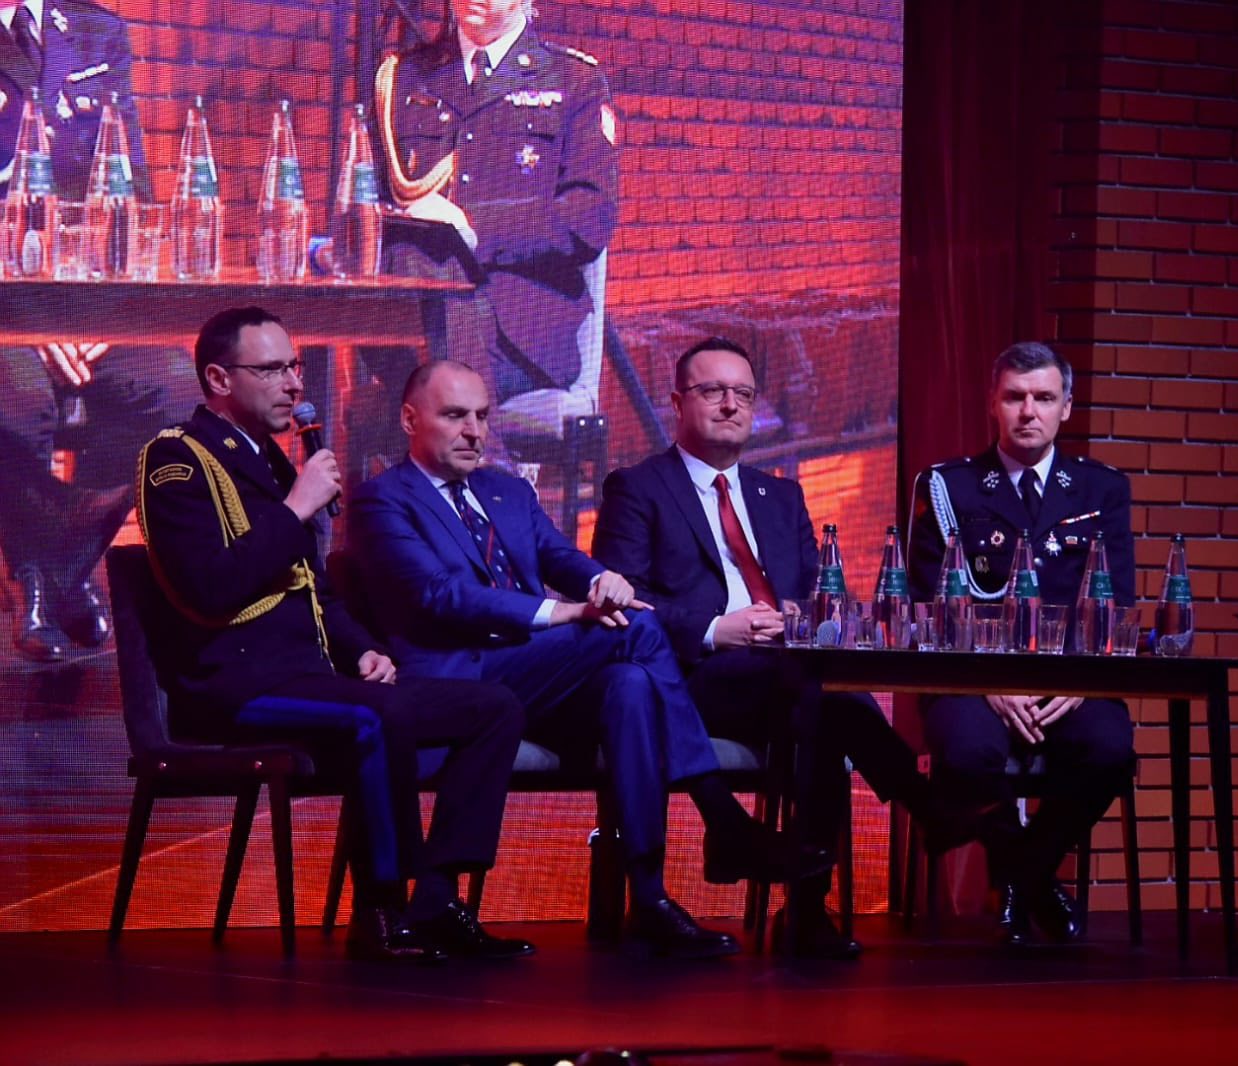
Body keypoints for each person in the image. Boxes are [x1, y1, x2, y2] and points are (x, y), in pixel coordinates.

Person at [347, 359, 821, 960]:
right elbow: (440, 596)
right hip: (458, 677)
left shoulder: (506, 490)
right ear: (410, 419)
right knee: (638, 629)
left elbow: (562, 558)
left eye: (482, 417)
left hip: (535, 673)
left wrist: (603, 582)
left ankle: (647, 896)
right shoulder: (382, 500)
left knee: (630, 685)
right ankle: (720, 816)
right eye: (455, 416)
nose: (474, 431)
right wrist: (564, 613)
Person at [137, 307, 528, 964]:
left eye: (293, 366)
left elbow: (313, 589)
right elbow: (208, 588)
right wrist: (296, 508)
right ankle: (381, 910)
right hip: (233, 684)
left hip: (308, 675)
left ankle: (437, 898)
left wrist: (363, 649)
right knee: (380, 714)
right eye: (271, 370)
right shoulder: (178, 459)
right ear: (219, 379)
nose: (294, 383)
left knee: (493, 708)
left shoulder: (271, 461)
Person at [592, 338, 979, 960]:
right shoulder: (637, 487)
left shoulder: (780, 496)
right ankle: (916, 815)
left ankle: (807, 904)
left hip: (782, 675)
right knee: (822, 698)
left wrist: (802, 615)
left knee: (823, 706)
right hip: (691, 674)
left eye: (743, 394)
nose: (730, 405)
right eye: (713, 391)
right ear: (677, 403)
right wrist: (718, 627)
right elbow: (623, 598)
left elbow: (819, 593)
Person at [907, 341, 1137, 947]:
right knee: (966, 754)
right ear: (993, 403)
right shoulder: (949, 487)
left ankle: (1023, 872)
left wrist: (1078, 680)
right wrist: (989, 681)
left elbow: (1116, 601)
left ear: (1067, 406)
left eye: (1043, 398)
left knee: (1110, 750)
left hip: (1070, 682)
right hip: (969, 680)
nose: (1028, 411)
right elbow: (926, 606)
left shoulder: (1101, 490)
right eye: (1014, 397)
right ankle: (1030, 873)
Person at [1, 0, 192, 661]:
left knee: (176, 392)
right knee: (17, 403)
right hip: (4, 314)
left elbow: (128, 185)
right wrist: (26, 318)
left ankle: (68, 563)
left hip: (84, 303)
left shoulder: (94, 31)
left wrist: (103, 310)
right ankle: (34, 581)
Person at [372, 0, 616, 408]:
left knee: (441, 372)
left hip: (522, 330)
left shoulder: (573, 80)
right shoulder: (406, 76)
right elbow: (368, 197)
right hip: (411, 316)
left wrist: (470, 228)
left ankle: (464, 431)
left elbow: (588, 216)